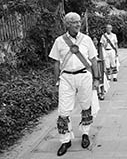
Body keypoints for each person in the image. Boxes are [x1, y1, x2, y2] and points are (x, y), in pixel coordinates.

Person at [49, 12, 100, 156]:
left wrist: (97, 78)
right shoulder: (59, 41)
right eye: (74, 22)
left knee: (86, 106)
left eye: (79, 22)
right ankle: (65, 140)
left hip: (84, 75)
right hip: (66, 78)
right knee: (63, 111)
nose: (78, 24)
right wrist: (56, 81)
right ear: (67, 24)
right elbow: (56, 63)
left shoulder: (87, 39)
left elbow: (94, 60)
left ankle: (85, 134)